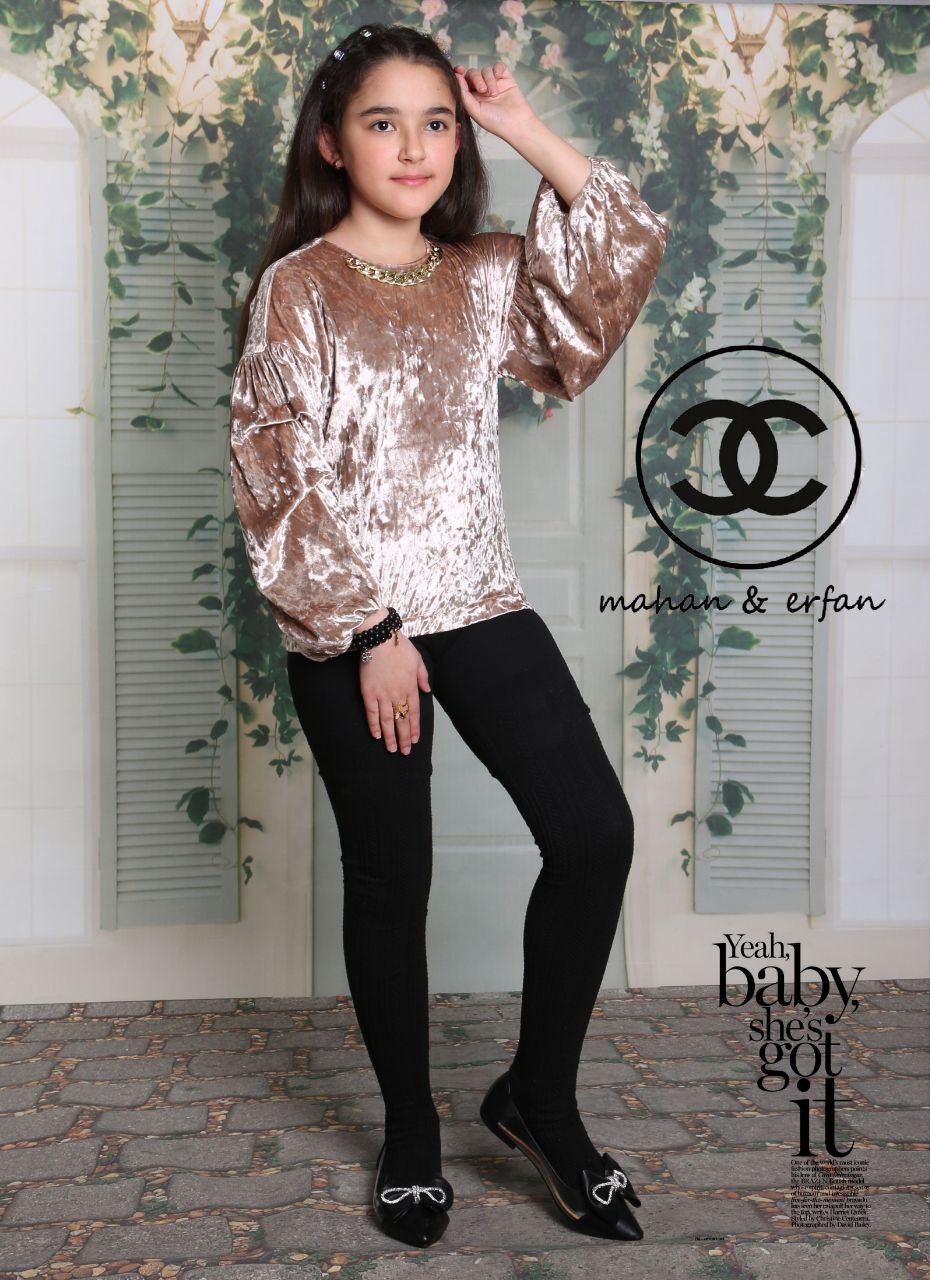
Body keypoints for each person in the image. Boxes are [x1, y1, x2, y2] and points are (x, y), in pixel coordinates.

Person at [229, 22, 669, 1248]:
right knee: (394, 876)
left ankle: (538, 1099)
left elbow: (611, 271)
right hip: (353, 624)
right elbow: (276, 476)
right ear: (334, 142)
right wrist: (369, 628)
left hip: (478, 599)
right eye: (383, 122)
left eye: (437, 123)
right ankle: (412, 1128)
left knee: (594, 833)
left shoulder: (482, 275)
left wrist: (520, 127)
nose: (415, 148)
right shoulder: (299, 287)